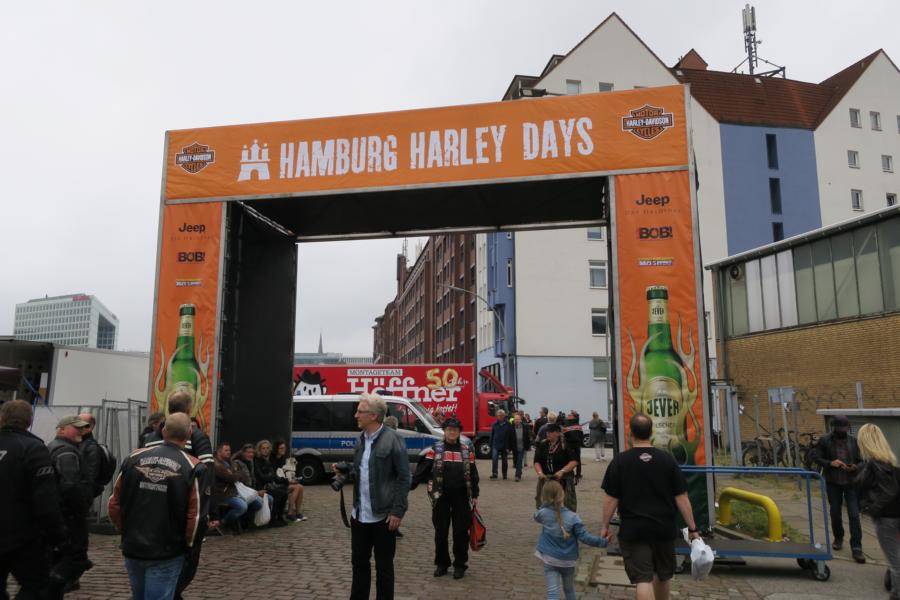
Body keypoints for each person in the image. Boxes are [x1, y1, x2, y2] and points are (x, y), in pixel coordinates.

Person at [600, 414, 700, 600]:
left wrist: (605, 526)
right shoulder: (667, 460)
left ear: (630, 433)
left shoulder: (620, 462)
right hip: (663, 529)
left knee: (643, 579)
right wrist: (693, 529)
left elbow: (611, 499)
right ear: (651, 432)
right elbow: (681, 497)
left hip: (634, 530)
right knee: (663, 575)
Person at [109, 413, 203, 600]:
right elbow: (196, 516)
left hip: (134, 546)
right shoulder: (193, 466)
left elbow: (114, 503)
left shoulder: (133, 458)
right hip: (167, 550)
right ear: (189, 433)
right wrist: (188, 546)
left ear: (163, 431)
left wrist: (125, 531)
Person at [332, 393, 410, 600]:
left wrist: (397, 511)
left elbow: (404, 478)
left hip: (384, 517)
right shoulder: (360, 439)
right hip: (359, 516)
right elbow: (362, 471)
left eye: (360, 411)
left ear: (374, 415)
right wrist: (346, 469)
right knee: (359, 564)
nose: (356, 415)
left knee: (384, 568)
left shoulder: (393, 439)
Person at [142, 391, 215, 599]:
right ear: (190, 409)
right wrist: (208, 512)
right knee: (185, 563)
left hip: (150, 508)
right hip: (182, 510)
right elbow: (206, 477)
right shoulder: (197, 436)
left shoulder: (151, 437)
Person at [0, 400, 66, 600]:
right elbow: (46, 499)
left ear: (2, 418)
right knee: (38, 586)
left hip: (18, 533)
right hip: (22, 535)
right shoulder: (33, 448)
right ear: (29, 421)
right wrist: (58, 535)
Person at [411, 416, 480, 579]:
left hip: (461, 496)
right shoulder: (435, 449)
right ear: (444, 431)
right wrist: (410, 485)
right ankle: (442, 563)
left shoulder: (467, 450)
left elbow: (473, 473)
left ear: (459, 432)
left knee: (460, 533)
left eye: (455, 430)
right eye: (449, 430)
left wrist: (475, 494)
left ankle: (460, 565)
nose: (452, 432)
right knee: (441, 532)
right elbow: (422, 470)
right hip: (440, 496)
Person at [534, 480, 608, 600]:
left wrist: (545, 504)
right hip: (568, 561)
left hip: (550, 559)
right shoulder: (573, 517)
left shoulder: (543, 513)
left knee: (553, 592)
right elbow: (585, 537)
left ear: (544, 496)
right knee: (569, 590)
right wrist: (603, 541)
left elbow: (536, 516)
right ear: (563, 494)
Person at [46, 415, 93, 594]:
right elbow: (70, 486)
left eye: (82, 428)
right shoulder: (66, 452)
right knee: (75, 558)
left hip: (60, 513)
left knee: (59, 555)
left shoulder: (57, 447)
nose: (81, 431)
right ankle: (48, 587)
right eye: (76, 428)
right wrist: (80, 509)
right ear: (62, 429)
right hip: (70, 515)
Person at [856, 423, 900, 598]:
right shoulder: (891, 465)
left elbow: (888, 492)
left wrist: (871, 509)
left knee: (894, 562)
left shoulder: (874, 466)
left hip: (887, 519)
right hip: (895, 516)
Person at [813, 414, 865, 562]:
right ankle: (838, 537)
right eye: (839, 428)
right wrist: (830, 463)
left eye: (844, 428)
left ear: (848, 427)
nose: (842, 430)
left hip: (851, 483)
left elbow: (862, 461)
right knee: (835, 512)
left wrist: (855, 467)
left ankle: (857, 547)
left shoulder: (854, 441)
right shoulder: (825, 441)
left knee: (854, 515)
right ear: (834, 427)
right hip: (833, 482)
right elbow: (815, 457)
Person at [212, 442, 261, 534]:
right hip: (224, 494)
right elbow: (231, 478)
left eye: (229, 450)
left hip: (236, 491)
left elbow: (243, 477)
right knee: (242, 506)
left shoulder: (229, 462)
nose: (229, 452)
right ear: (219, 452)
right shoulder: (216, 464)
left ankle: (244, 524)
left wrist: (236, 475)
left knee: (258, 502)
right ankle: (223, 523)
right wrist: (236, 475)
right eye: (226, 450)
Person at [533, 423, 580, 511]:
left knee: (565, 504)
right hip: (546, 479)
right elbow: (536, 461)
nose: (548, 434)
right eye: (547, 432)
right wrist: (540, 473)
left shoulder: (566, 444)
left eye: (551, 432)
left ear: (558, 433)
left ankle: (565, 518)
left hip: (563, 480)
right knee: (545, 504)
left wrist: (562, 471)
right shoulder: (542, 444)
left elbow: (574, 461)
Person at [233, 444, 275, 527]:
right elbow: (240, 483)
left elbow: (253, 480)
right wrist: (256, 493)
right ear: (243, 453)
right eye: (248, 452)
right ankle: (246, 522)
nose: (251, 454)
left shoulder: (251, 462)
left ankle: (257, 521)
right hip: (242, 492)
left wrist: (256, 491)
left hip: (251, 490)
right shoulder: (237, 463)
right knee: (258, 502)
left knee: (269, 498)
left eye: (252, 452)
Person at [254, 439, 291, 524]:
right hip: (260, 486)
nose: (265, 450)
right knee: (278, 493)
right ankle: (273, 519)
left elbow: (273, 475)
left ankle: (280, 517)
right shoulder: (257, 460)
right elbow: (261, 476)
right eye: (263, 448)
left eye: (267, 448)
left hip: (269, 484)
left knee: (284, 492)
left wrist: (284, 480)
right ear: (259, 449)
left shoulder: (267, 460)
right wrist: (271, 476)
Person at [270, 440, 306, 521]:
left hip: (283, 482)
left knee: (300, 487)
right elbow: (276, 477)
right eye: (281, 448)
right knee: (296, 487)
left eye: (284, 448)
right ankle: (290, 513)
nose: (283, 450)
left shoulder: (283, 459)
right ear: (276, 449)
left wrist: (292, 479)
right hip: (276, 484)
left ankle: (298, 512)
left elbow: (284, 473)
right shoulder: (272, 460)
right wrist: (289, 481)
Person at [489, 409, 513, 480]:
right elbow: (492, 435)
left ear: (504, 416)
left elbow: (510, 436)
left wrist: (509, 447)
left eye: (501, 415)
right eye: (498, 415)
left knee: (505, 461)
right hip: (495, 445)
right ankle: (494, 474)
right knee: (494, 459)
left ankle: (504, 474)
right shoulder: (494, 424)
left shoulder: (508, 425)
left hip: (505, 446)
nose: (500, 416)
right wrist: (490, 444)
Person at [562, 412, 584, 482]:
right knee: (578, 459)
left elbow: (564, 436)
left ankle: (570, 472)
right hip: (577, 444)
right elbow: (581, 435)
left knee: (569, 459)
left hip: (569, 444)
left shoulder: (565, 426)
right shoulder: (578, 426)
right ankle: (578, 474)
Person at [511, 413, 532, 482]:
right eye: (515, 419)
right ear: (514, 420)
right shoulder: (511, 427)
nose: (517, 421)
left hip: (522, 447)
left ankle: (517, 475)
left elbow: (528, 436)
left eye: (518, 419)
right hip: (514, 447)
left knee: (519, 461)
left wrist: (529, 446)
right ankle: (519, 471)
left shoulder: (525, 426)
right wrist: (508, 447)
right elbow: (509, 438)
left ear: (520, 420)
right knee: (516, 462)